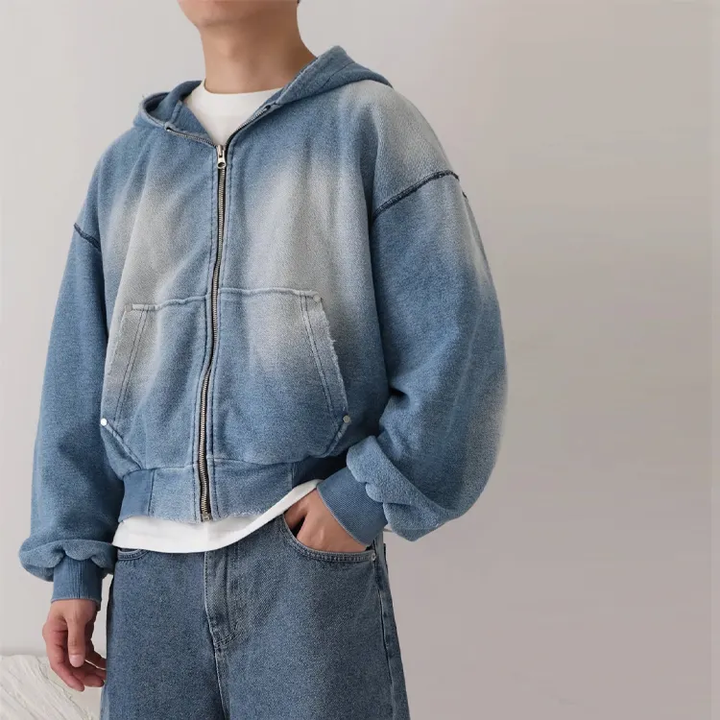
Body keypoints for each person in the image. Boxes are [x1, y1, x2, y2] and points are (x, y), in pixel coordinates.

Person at [17, 1, 508, 718]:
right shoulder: (128, 168)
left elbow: (458, 347)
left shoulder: (369, 128)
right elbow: (77, 373)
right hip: (147, 580)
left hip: (302, 563)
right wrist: (74, 562)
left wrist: (362, 498)